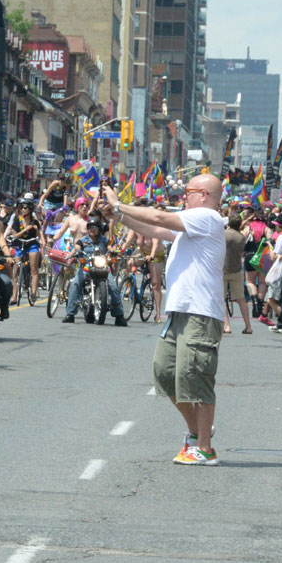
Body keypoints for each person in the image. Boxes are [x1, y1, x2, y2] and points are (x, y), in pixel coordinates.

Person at [100, 175, 225, 466]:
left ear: (204, 194)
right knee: (166, 373)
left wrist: (120, 205)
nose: (184, 196)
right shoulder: (191, 225)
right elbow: (154, 228)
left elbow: (158, 216)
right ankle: (197, 432)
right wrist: (120, 216)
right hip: (179, 310)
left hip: (200, 313)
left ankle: (205, 448)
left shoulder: (207, 217)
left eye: (188, 191)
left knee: (196, 377)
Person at [61, 218, 127, 326]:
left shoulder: (104, 240)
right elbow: (76, 247)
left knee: (113, 286)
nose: (92, 229)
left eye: (95, 227)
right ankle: (70, 314)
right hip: (86, 267)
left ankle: (119, 315)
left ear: (99, 229)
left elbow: (110, 247)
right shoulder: (82, 240)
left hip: (102, 267)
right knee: (76, 283)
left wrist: (114, 251)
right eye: (90, 227)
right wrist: (75, 252)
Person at [6, 197, 44, 303]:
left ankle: (33, 293)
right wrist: (26, 229)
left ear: (30, 209)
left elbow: (38, 236)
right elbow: (15, 235)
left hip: (32, 245)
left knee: (34, 269)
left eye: (25, 208)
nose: (23, 209)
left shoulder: (35, 222)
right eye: (22, 207)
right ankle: (14, 296)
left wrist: (37, 231)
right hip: (20, 245)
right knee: (15, 272)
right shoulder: (17, 220)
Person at [222, 214, 252, 335]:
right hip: (237, 269)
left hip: (222, 269)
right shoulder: (242, 237)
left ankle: (227, 325)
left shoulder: (223, 234)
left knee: (222, 299)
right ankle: (248, 326)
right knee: (241, 299)